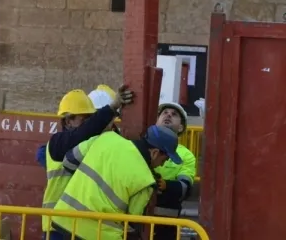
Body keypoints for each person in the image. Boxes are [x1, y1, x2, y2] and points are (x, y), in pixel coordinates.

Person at [50, 125, 183, 240]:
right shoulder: (146, 180)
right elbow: (132, 222)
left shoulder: (106, 138)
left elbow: (68, 162)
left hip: (65, 220)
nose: (161, 165)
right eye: (163, 160)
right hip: (100, 235)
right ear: (155, 153)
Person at [39, 87, 134, 239]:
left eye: (90, 118)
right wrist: (112, 108)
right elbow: (84, 133)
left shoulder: (88, 144)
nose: (88, 123)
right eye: (84, 119)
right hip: (58, 225)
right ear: (68, 121)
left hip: (82, 227)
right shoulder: (58, 142)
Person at [152, 102, 197, 240]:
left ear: (181, 127)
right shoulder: (145, 144)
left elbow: (185, 188)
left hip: (166, 226)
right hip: (136, 221)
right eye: (165, 113)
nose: (168, 115)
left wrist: (165, 185)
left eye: (174, 114)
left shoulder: (186, 156)